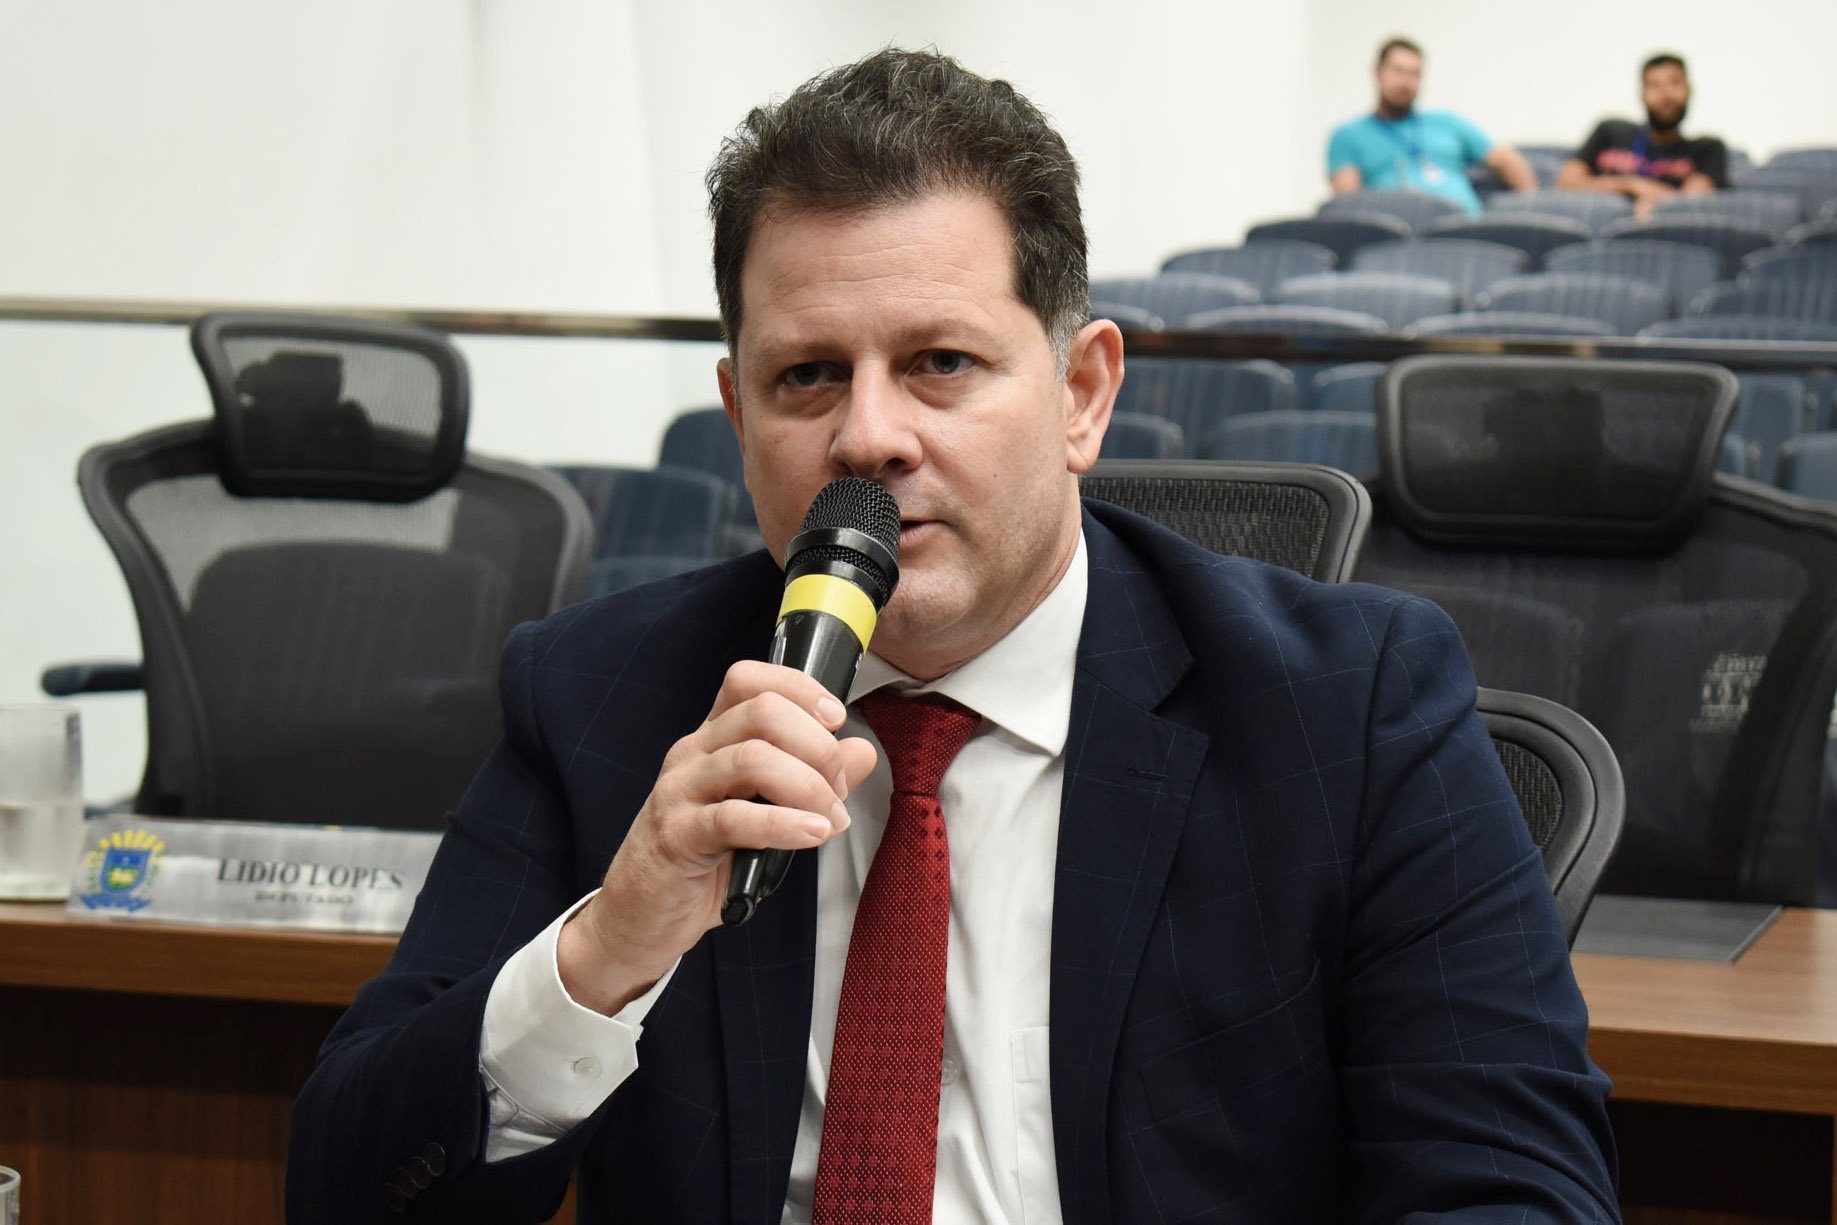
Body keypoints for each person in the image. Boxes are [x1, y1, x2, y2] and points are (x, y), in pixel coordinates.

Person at [288, 48, 1618, 1224]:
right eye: (808, 375)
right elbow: (349, 1189)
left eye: (940, 363)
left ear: (1082, 393)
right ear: (739, 414)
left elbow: (1515, 1186)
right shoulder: (600, 697)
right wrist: (604, 953)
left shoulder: (1349, 707)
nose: (867, 436)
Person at [1328, 37, 1537, 215]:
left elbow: (1507, 160)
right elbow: (1349, 205)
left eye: (1415, 74)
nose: (1406, 82)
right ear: (1377, 72)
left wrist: (1530, 208)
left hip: (1465, 225)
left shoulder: (1446, 122)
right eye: (1398, 71)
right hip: (1399, 235)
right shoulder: (1348, 135)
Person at [1556, 53, 1729, 217]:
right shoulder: (1609, 131)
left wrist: (1650, 197)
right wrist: (1631, 186)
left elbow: (1689, 203)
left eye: (1675, 83)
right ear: (1642, 94)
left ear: (1689, 90)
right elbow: (1566, 183)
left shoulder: (1708, 148)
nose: (1665, 95)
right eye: (1654, 85)